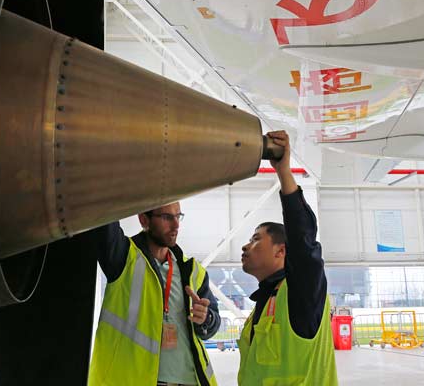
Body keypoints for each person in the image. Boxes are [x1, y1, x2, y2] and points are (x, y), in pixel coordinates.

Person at [237, 130, 338, 385]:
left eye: (256, 239)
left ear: (281, 251)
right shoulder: (264, 305)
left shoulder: (300, 294)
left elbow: (303, 242)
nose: (245, 247)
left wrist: (284, 173)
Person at [88, 202, 220, 386]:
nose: (176, 225)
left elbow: (212, 327)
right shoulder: (124, 257)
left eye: (178, 216)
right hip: (139, 379)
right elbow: (103, 217)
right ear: (144, 219)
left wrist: (205, 319)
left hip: (191, 380)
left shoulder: (192, 271)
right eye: (167, 217)